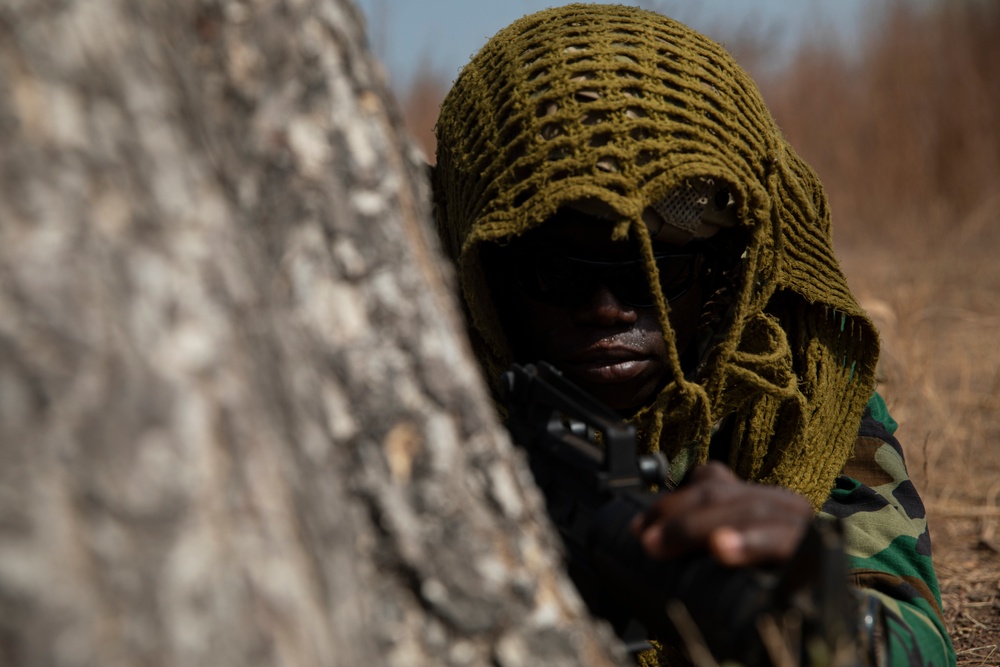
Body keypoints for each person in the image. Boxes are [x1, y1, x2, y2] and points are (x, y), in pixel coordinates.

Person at [430, 4, 955, 666]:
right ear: (486, 270)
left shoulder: (794, 392)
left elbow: (918, 636)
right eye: (558, 271)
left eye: (659, 273)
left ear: (720, 278)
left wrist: (825, 612)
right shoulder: (427, 370)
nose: (607, 309)